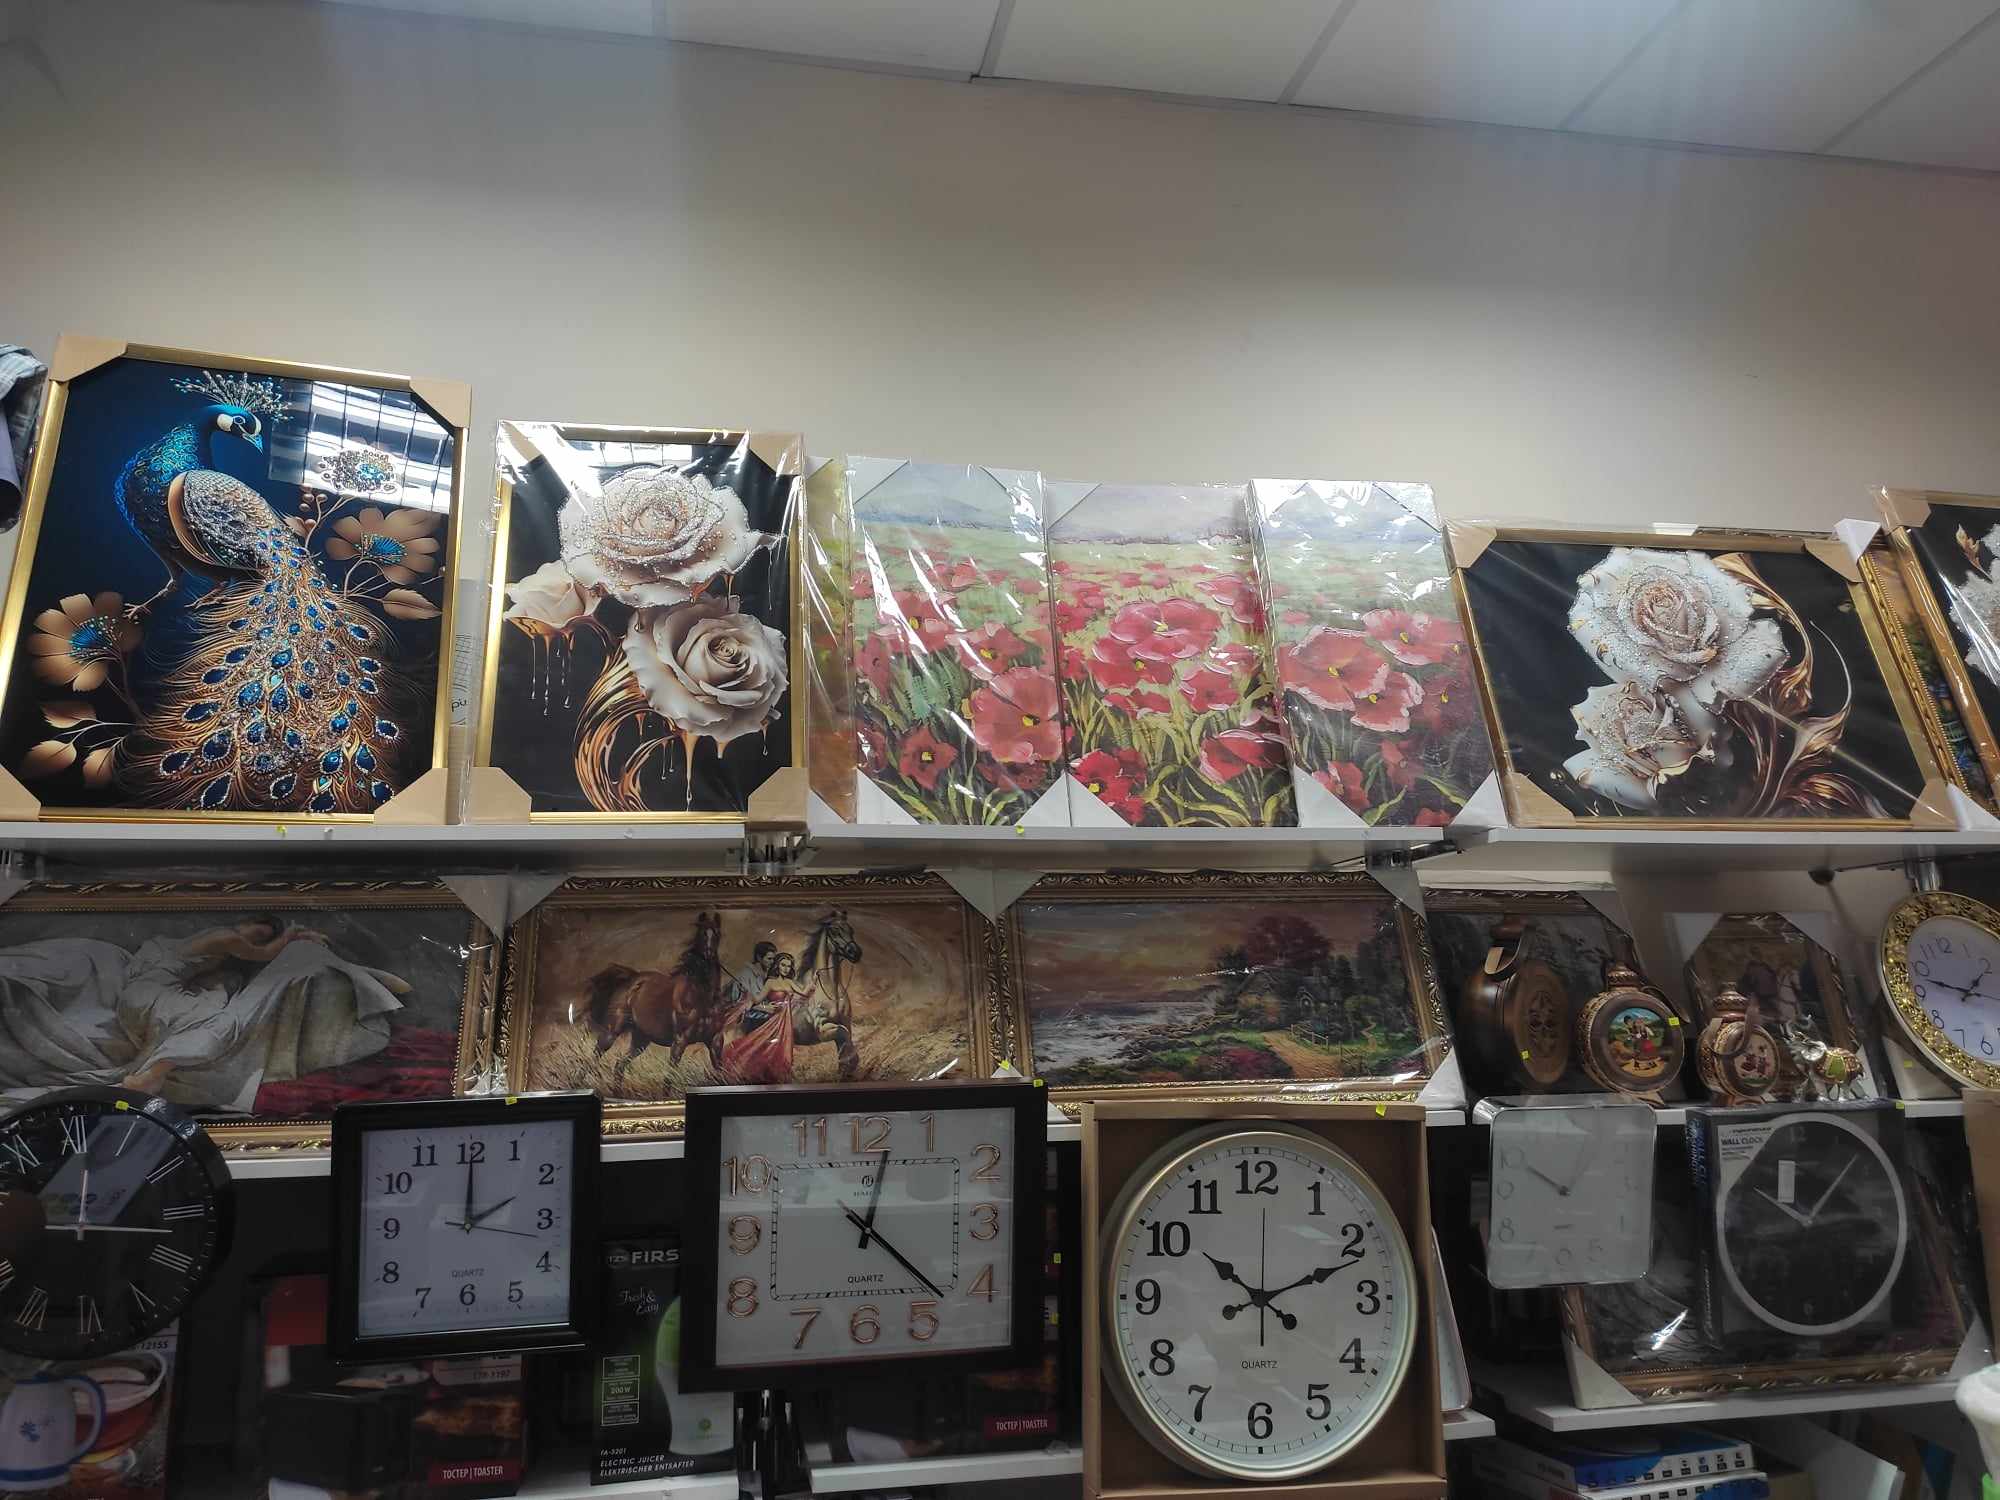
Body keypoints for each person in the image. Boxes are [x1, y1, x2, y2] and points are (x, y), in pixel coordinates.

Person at [0, 917, 414, 1114]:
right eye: (256, 930)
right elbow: (262, 955)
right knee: (226, 1024)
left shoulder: (210, 959)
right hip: (148, 999)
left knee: (223, 1018)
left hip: (147, 998)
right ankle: (155, 1070)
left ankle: (156, 1067)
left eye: (261, 934)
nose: (253, 937)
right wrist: (289, 940)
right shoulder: (225, 940)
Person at [722, 951, 822, 1085]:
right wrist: (750, 996)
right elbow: (757, 999)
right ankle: (760, 1074)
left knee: (784, 1048)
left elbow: (804, 993)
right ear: (777, 966)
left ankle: (780, 1078)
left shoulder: (789, 982)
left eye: (788, 966)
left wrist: (814, 980)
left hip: (786, 1021)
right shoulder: (770, 982)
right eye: (783, 965)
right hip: (774, 1019)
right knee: (762, 1044)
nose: (786, 969)